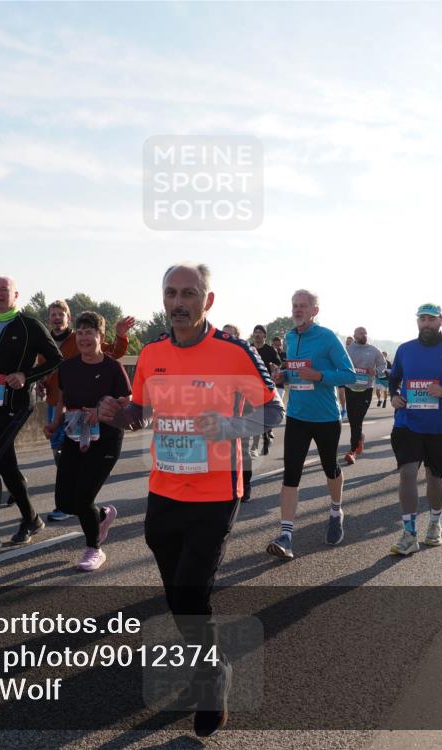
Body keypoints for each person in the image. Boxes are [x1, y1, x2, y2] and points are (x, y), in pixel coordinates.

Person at [98, 262, 284, 737]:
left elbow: (272, 410)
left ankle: (213, 674)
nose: (178, 302)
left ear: (208, 300)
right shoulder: (154, 353)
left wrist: (230, 427)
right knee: (178, 594)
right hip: (163, 490)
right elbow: (141, 412)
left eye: (188, 293)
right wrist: (119, 415)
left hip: (217, 490)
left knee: (188, 591)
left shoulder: (234, 352)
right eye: (170, 293)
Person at [0, 276, 63, 557]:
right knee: (6, 465)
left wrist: (25, 375)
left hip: (17, 404)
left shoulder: (29, 325)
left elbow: (56, 359)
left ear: (16, 295)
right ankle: (31, 518)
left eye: (3, 290)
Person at [266, 290, 357, 559]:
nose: (297, 310)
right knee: (291, 473)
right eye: (294, 305)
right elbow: (295, 375)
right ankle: (285, 535)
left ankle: (336, 510)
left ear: (314, 311)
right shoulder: (291, 337)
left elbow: (349, 376)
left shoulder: (327, 337)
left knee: (330, 468)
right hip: (296, 416)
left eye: (303, 306)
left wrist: (319, 375)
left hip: (326, 418)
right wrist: (282, 375)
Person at [45, 311, 131, 571]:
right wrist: (54, 424)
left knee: (83, 498)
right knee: (64, 502)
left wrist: (102, 410)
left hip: (105, 438)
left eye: (89, 332)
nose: (83, 338)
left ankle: (94, 548)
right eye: (80, 332)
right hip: (74, 435)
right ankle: (102, 515)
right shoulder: (68, 367)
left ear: (100, 336)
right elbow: (62, 400)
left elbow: (128, 401)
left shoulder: (112, 367)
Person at [387, 304, 442, 555]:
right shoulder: (405, 349)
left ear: (441, 321)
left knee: (434, 476)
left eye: (431, 319)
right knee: (407, 473)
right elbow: (394, 378)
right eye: (422, 319)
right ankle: (409, 534)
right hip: (407, 422)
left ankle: (435, 524)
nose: (426, 324)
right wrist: (394, 395)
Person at [343, 326, 387, 464]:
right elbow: (340, 363)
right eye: (360, 333)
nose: (364, 335)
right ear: (354, 335)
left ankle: (352, 450)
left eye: (365, 333)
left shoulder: (374, 350)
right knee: (353, 419)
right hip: (350, 388)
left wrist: (378, 372)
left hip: (366, 389)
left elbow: (382, 364)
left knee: (358, 418)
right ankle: (359, 439)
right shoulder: (348, 350)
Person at [222, 324, 254, 501]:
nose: (224, 337)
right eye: (223, 333)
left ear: (236, 337)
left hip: (243, 409)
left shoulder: (245, 356)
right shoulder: (214, 356)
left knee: (243, 448)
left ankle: (246, 484)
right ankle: (225, 485)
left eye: (229, 335)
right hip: (221, 411)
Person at [250, 324, 282, 455]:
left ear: (264, 335)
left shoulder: (270, 350)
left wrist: (275, 368)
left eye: (260, 332)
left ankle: (264, 438)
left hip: (267, 386)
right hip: (251, 387)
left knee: (262, 414)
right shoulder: (249, 348)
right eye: (255, 332)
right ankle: (261, 441)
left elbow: (278, 364)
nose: (257, 334)